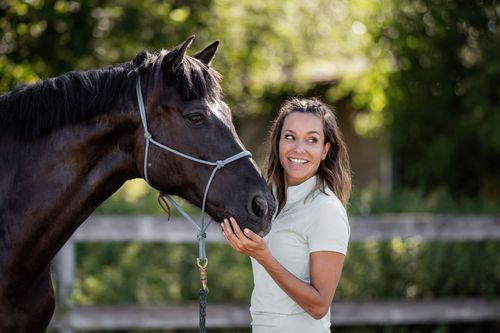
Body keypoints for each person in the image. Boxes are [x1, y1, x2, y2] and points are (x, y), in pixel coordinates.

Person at [222, 97, 352, 333]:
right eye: (290, 137)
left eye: (311, 140)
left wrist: (264, 257)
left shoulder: (326, 209)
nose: (298, 148)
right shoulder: (269, 200)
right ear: (278, 142)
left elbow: (319, 305)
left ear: (325, 150)